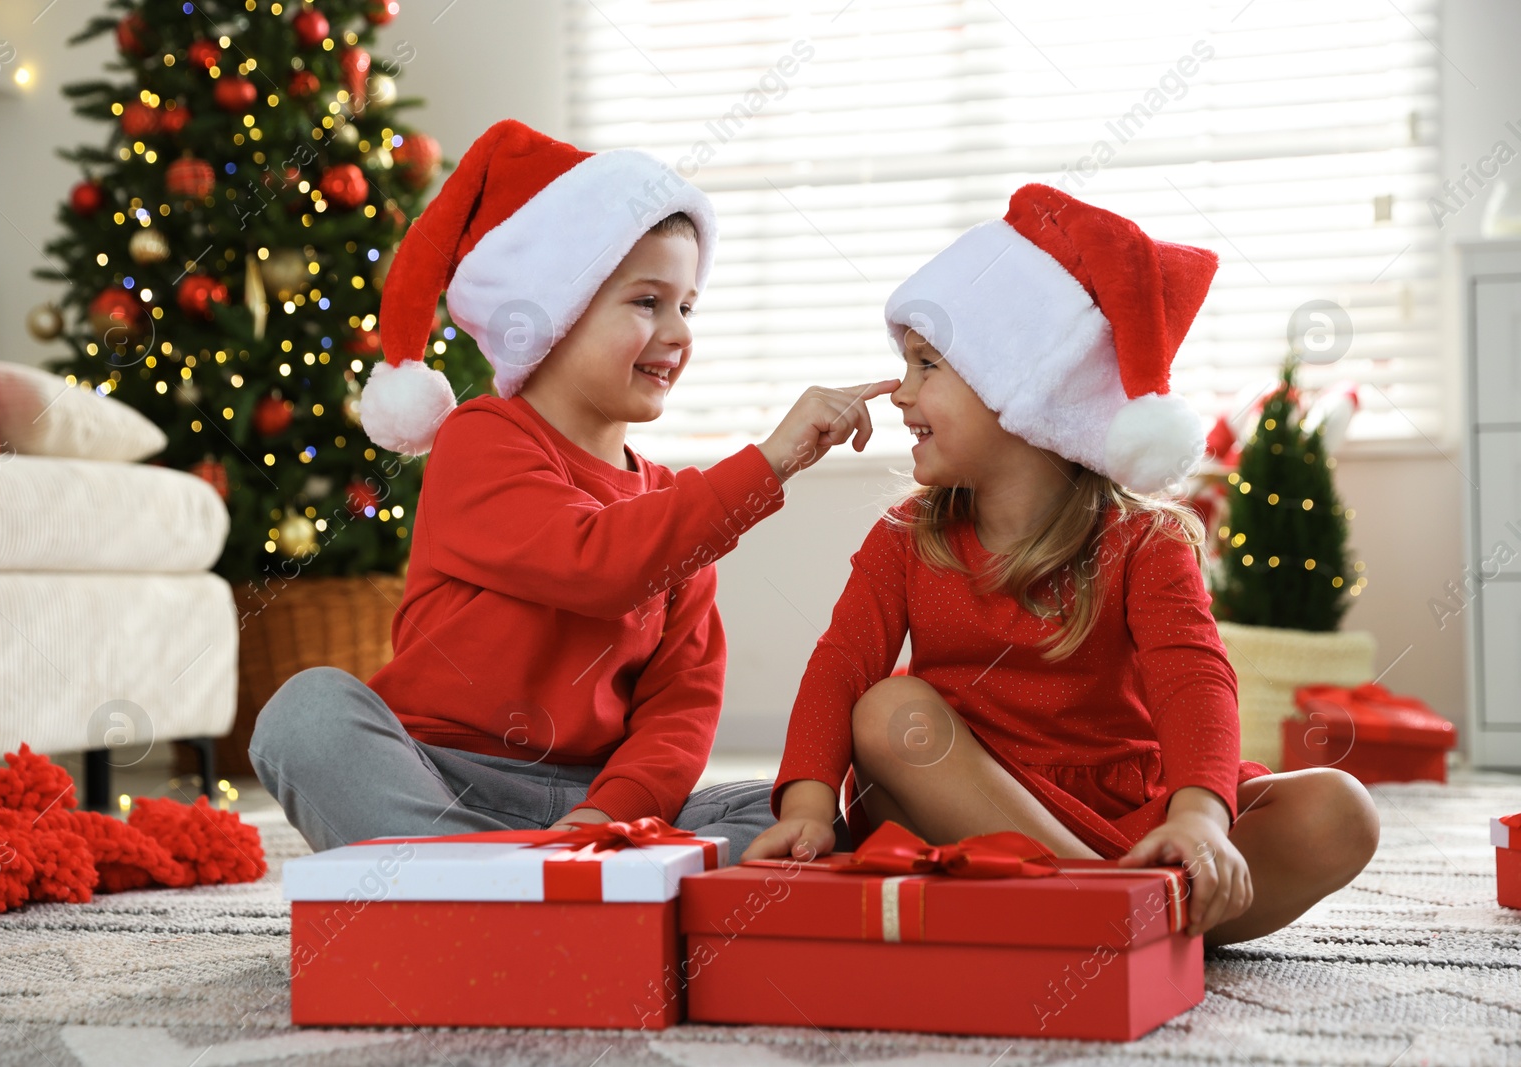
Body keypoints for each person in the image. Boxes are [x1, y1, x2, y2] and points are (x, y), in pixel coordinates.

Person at [743, 184, 1379, 946]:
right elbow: (841, 666)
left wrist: (1199, 816)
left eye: (926, 364)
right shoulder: (906, 537)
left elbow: (1195, 680)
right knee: (889, 712)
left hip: (1127, 815)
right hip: (967, 802)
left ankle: (1127, 903)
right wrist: (809, 805)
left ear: (1022, 387)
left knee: (1341, 809)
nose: (900, 392)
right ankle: (1117, 907)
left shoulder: (1146, 542)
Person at [250, 119, 893, 863]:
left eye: (688, 305)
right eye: (647, 301)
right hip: (442, 777)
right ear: (550, 318)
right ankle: (511, 883)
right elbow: (595, 562)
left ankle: (497, 885)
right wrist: (771, 461)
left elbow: (678, 710)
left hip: (597, 799)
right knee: (305, 715)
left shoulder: (678, 509)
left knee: (787, 813)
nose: (678, 331)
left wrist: (607, 815)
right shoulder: (481, 441)